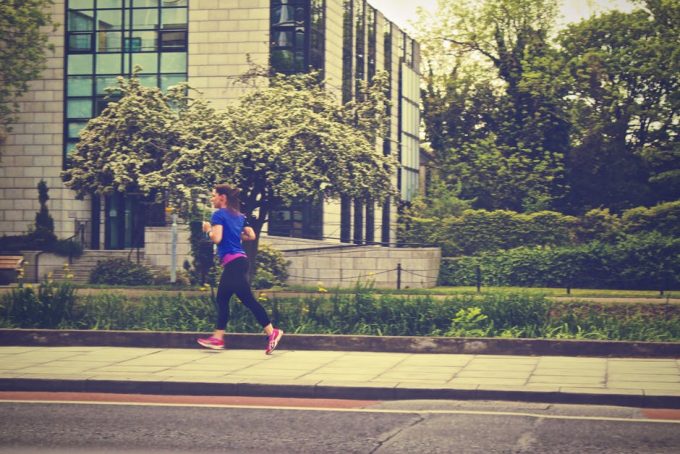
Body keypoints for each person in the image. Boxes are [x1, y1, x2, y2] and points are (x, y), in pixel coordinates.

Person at [197, 183, 283, 354]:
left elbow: (217, 239)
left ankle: (270, 332)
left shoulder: (218, 215)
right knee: (227, 298)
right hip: (240, 261)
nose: (212, 199)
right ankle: (219, 338)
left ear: (223, 198)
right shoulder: (240, 216)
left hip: (233, 263)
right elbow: (251, 235)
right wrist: (236, 235)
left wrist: (208, 230)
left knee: (236, 299)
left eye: (214, 195)